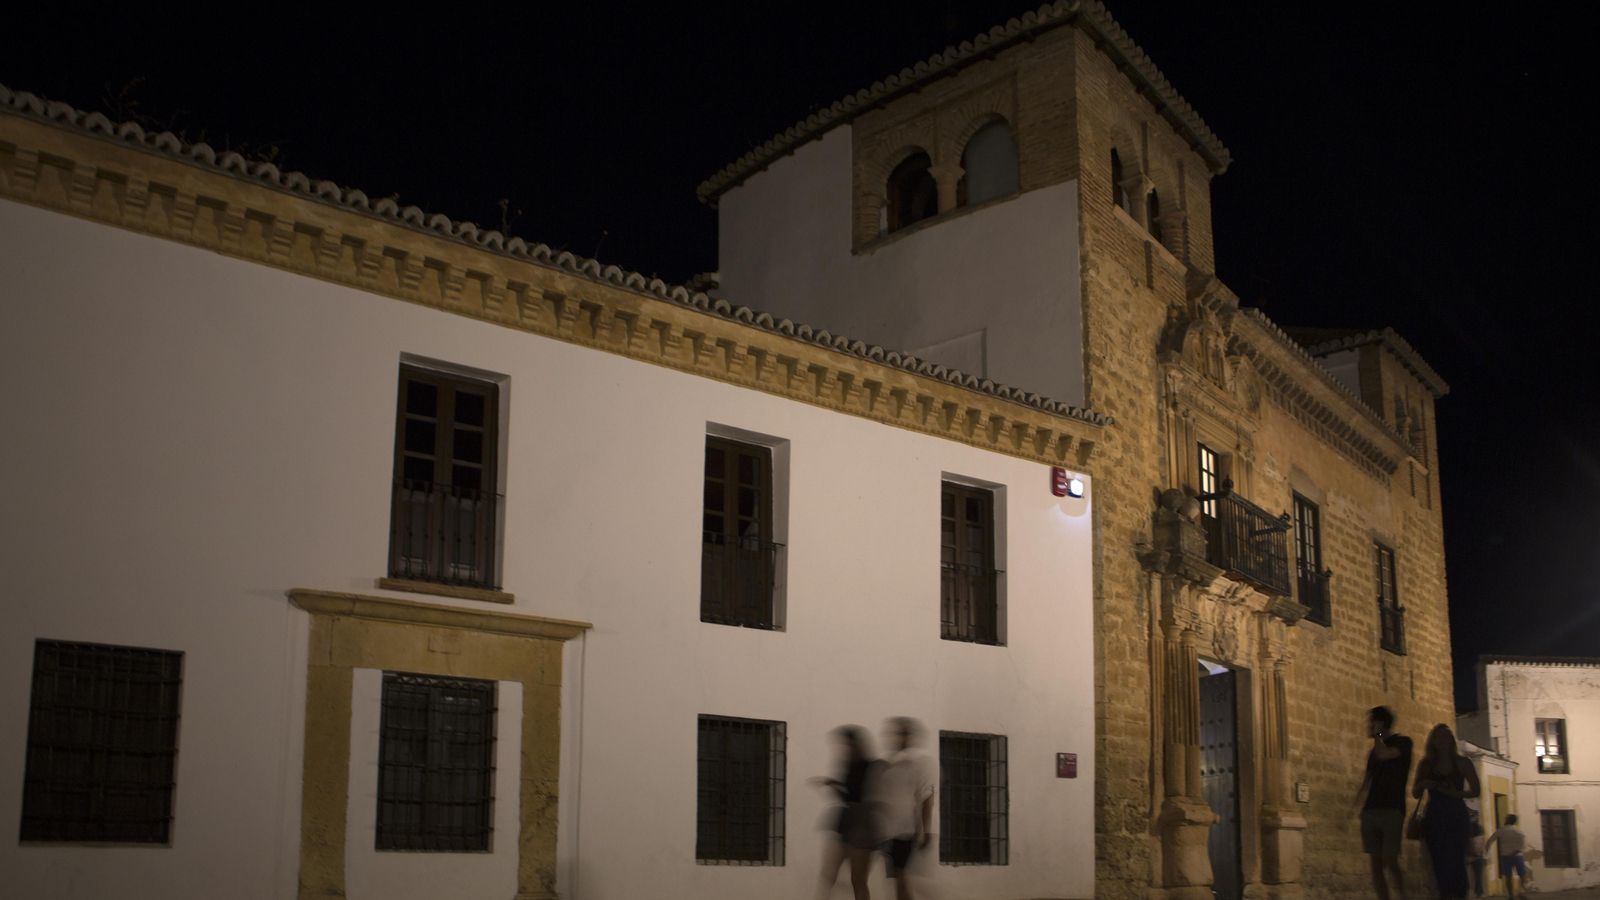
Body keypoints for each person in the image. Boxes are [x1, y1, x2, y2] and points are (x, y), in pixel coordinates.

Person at [813, 726, 881, 900]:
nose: (846, 748)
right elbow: (847, 797)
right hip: (847, 821)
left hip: (862, 825)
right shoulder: (849, 765)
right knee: (829, 874)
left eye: (848, 744)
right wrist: (832, 785)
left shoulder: (871, 766)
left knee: (857, 880)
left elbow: (871, 798)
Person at [1413, 724, 1480, 900]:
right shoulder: (1426, 765)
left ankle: (1459, 894)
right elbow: (1415, 792)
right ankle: (1445, 895)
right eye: (1439, 737)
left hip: (1456, 814)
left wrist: (1456, 793)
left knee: (1457, 860)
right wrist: (1424, 784)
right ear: (1433, 741)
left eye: (1446, 736)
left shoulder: (1463, 763)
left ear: (1451, 741)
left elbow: (1476, 790)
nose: (1443, 740)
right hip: (1435, 816)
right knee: (1439, 862)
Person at [1356, 706, 1414, 900]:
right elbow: (1368, 780)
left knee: (1390, 860)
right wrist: (1356, 807)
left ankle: (1404, 895)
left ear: (1380, 722)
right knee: (1376, 865)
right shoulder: (1374, 750)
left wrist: (1378, 735)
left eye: (1371, 721)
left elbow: (1385, 755)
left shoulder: (1403, 742)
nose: (1368, 725)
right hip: (1371, 810)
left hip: (1392, 809)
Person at [877, 717, 936, 900]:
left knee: (902, 877)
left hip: (906, 830)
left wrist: (925, 831)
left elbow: (926, 798)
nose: (897, 737)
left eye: (902, 733)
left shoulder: (919, 763)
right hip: (889, 830)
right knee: (899, 879)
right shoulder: (889, 763)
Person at [1484, 814, 1528, 900]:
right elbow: (1523, 844)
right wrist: (1516, 851)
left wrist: (1487, 852)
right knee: (1522, 875)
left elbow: (1490, 841)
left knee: (1508, 877)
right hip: (1518, 856)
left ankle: (1511, 895)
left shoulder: (1501, 830)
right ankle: (1521, 892)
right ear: (1515, 821)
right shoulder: (1518, 831)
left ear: (1507, 820)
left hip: (1505, 856)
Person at [1468, 817, 1486, 897]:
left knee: (1471, 875)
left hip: (1469, 857)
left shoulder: (1469, 837)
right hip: (1479, 857)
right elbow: (1482, 847)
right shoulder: (1480, 837)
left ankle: (1474, 892)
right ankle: (1479, 892)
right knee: (1478, 875)